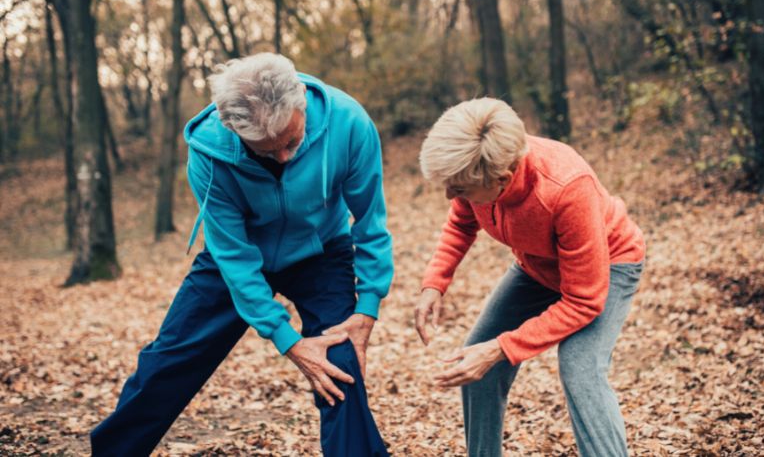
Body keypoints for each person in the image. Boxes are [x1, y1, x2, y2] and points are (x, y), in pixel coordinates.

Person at [91, 53, 393, 457]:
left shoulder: (350, 124)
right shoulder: (208, 152)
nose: (283, 157)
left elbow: (370, 222)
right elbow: (234, 256)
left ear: (301, 100)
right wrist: (285, 339)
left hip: (322, 248)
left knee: (339, 360)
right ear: (231, 129)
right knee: (168, 361)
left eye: (290, 142)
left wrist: (368, 304)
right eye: (265, 152)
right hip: (236, 255)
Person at [414, 98, 646, 457]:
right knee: (476, 363)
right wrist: (435, 282)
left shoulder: (566, 188)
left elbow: (584, 300)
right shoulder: (476, 172)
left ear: (502, 180)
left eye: (458, 189)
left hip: (610, 264)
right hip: (537, 266)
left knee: (580, 367)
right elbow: (461, 222)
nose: (450, 196)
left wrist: (501, 347)